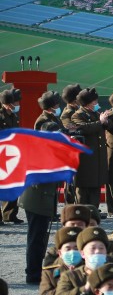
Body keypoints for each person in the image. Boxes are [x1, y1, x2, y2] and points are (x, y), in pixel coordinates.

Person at [21, 91, 65, 284]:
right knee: (36, 238)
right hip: (38, 199)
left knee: (39, 238)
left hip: (42, 198)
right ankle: (33, 274)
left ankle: (36, 270)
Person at [70, 87, 109, 208]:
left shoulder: (95, 113)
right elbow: (83, 128)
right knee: (83, 189)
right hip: (86, 160)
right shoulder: (77, 115)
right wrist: (100, 122)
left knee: (95, 187)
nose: (96, 104)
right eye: (94, 102)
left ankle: (94, 212)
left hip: (96, 158)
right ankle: (82, 213)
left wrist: (105, 122)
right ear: (88, 103)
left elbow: (105, 126)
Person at [0, 88, 22, 224]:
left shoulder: (13, 116)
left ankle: (10, 214)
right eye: (16, 102)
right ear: (8, 104)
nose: (18, 105)